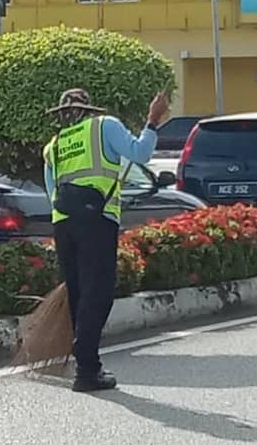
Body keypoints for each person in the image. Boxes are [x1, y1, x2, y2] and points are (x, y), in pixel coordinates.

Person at [43, 87, 169, 393]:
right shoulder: (105, 126)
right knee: (97, 293)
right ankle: (87, 370)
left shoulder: (55, 145)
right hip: (96, 221)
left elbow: (52, 192)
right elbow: (141, 153)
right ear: (89, 110)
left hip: (64, 224)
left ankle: (84, 363)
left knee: (78, 294)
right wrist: (152, 121)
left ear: (64, 114)